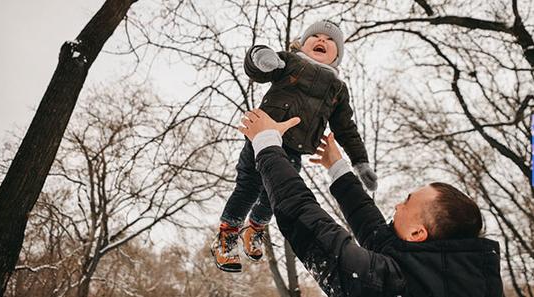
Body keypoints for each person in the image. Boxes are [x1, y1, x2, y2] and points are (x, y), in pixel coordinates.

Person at [237, 108, 503, 296]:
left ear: (418, 233)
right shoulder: (447, 271)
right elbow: (377, 234)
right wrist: (337, 167)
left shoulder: (402, 287)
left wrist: (267, 143)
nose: (398, 206)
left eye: (406, 203)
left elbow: (313, 229)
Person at [212, 20, 378, 272]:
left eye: (330, 40)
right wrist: (261, 57)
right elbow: (257, 69)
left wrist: (360, 161)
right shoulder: (290, 62)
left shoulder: (337, 89)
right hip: (262, 135)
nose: (322, 40)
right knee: (248, 187)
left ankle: (255, 228)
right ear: (302, 43)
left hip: (293, 150)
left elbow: (345, 128)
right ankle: (228, 234)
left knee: (274, 195)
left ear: (337, 55)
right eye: (316, 36)